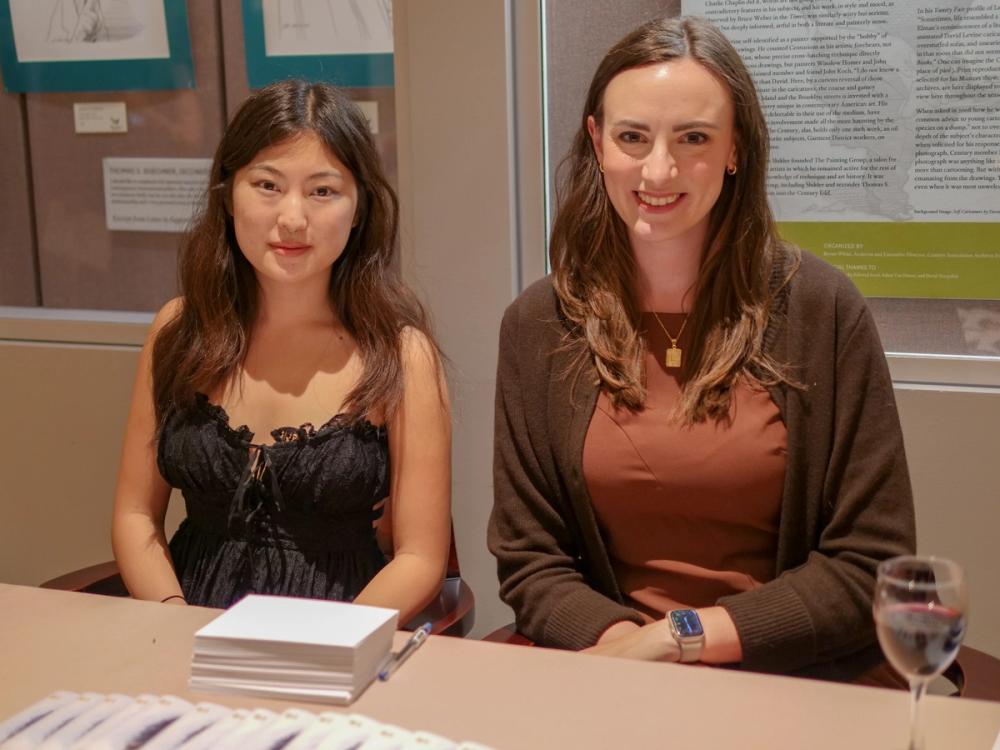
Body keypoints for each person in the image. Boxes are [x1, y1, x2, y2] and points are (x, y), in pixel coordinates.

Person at [488, 16, 915, 679]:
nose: (658, 169)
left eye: (693, 138)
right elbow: (530, 559)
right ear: (597, 142)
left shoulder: (823, 309)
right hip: (613, 673)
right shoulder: (539, 323)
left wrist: (680, 637)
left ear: (735, 148)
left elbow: (870, 564)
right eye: (633, 137)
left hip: (790, 678)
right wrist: (631, 651)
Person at [112, 80, 451, 624]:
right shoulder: (177, 330)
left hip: (338, 635)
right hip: (184, 631)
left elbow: (419, 558)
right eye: (267, 185)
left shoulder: (402, 354)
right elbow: (135, 515)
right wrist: (173, 623)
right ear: (228, 194)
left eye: (322, 191)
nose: (292, 218)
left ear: (359, 208)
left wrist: (321, 648)